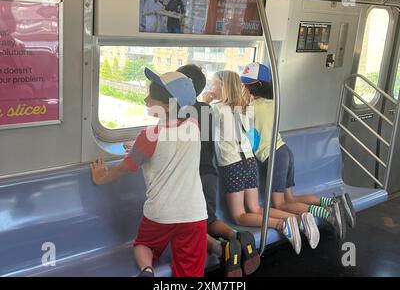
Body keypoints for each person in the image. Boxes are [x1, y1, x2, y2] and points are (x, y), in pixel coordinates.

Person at [91, 69, 208, 277]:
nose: (146, 100)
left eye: (151, 97)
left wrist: (101, 178)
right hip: (194, 214)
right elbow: (172, 142)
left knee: (143, 245)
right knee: (190, 271)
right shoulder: (195, 125)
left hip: (160, 214)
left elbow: (124, 167)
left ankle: (147, 270)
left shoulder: (149, 137)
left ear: (166, 105)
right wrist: (138, 147)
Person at [240, 62, 357, 241]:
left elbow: (236, 117)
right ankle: (333, 202)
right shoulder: (272, 103)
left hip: (275, 157)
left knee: (280, 203)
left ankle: (328, 214)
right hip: (285, 152)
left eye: (246, 85)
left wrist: (241, 101)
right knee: (290, 198)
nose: (243, 88)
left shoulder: (251, 108)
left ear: (257, 86)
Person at [208, 70, 320, 254]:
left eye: (213, 84)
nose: (210, 88)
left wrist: (205, 101)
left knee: (239, 216)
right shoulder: (245, 107)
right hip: (250, 162)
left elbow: (203, 130)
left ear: (223, 87)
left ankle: (280, 224)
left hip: (232, 164)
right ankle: (296, 218)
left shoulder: (215, 109)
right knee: (255, 207)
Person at [177, 64, 260, 277]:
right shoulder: (209, 110)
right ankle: (237, 236)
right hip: (210, 173)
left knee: (189, 225)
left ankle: (221, 248)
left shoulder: (181, 112)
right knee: (209, 220)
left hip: (191, 176)